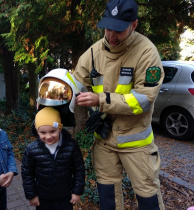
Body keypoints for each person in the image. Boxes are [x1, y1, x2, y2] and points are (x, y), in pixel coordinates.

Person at [73, 0, 165, 209]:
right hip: (104, 140)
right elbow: (75, 84)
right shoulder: (94, 52)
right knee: (108, 198)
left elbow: (143, 100)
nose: (111, 36)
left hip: (136, 144)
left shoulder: (147, 53)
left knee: (148, 197)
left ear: (134, 25)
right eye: (108, 28)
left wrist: (101, 100)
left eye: (119, 30)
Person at [21, 107, 85, 210]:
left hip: (65, 197)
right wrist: (32, 195)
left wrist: (77, 192)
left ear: (59, 128)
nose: (48, 136)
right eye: (43, 133)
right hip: (43, 199)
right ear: (37, 131)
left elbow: (79, 170)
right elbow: (27, 174)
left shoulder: (71, 146)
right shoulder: (31, 149)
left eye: (52, 131)